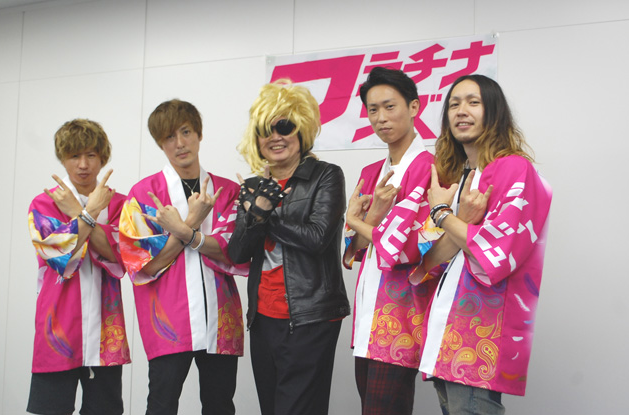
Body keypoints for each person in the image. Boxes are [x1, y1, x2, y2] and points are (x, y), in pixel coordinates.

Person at [413, 75, 552, 414]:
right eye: (454, 104)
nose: (461, 111)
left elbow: (497, 253)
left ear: (494, 112)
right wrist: (457, 219)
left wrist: (444, 214)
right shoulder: (458, 177)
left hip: (480, 332)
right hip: (448, 329)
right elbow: (432, 261)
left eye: (473, 102)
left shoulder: (514, 169)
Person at [228, 79, 350, 415]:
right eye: (265, 130)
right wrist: (254, 213)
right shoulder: (252, 186)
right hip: (264, 318)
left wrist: (264, 214)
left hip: (310, 316)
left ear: (302, 130)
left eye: (284, 126)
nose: (275, 137)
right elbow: (237, 253)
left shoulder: (326, 175)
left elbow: (317, 238)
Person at [119, 99, 245, 415]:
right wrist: (190, 223)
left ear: (199, 134)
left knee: (220, 406)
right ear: (160, 144)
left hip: (220, 316)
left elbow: (235, 251)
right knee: (161, 405)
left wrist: (182, 232)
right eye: (169, 137)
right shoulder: (143, 194)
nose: (179, 143)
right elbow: (145, 264)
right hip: (167, 319)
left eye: (186, 132)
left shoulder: (227, 191)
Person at [344, 66, 439, 415]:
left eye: (389, 106)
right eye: (373, 110)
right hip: (368, 313)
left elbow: (416, 249)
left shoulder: (434, 169)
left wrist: (357, 221)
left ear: (414, 107)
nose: (380, 118)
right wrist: (368, 220)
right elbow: (354, 249)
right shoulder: (370, 173)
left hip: (402, 314)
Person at [26, 119, 131, 415]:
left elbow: (122, 255)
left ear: (102, 158)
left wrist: (80, 215)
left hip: (107, 330)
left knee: (105, 411)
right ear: (63, 158)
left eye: (91, 155)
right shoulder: (44, 203)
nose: (83, 165)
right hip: (57, 324)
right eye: (74, 156)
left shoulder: (121, 204)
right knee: (50, 410)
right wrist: (89, 213)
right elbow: (60, 255)